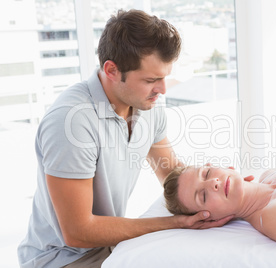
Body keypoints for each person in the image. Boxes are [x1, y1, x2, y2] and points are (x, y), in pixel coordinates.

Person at [17, 9, 243, 268]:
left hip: (110, 247)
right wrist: (174, 223)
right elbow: (77, 231)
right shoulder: (71, 122)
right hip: (62, 258)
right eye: (151, 80)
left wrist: (226, 189)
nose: (162, 89)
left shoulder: (146, 106)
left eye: (164, 77)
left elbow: (173, 177)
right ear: (111, 70)